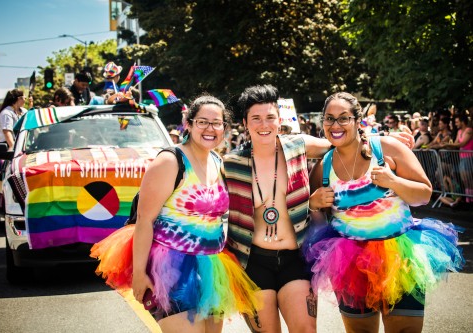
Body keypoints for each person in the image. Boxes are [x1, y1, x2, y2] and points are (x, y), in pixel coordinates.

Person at [90, 95, 261, 333]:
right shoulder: (170, 161)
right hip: (171, 268)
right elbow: (144, 220)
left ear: (224, 127)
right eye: (202, 122)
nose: (210, 129)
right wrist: (139, 273)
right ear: (188, 124)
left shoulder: (217, 161)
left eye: (216, 123)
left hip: (213, 268)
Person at [305, 92, 464, 333]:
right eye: (329, 119)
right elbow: (319, 225)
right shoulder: (323, 166)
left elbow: (424, 194)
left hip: (400, 257)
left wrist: (394, 182)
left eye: (343, 118)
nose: (335, 125)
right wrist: (313, 204)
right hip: (350, 263)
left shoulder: (387, 148)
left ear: (358, 121)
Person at [224, 84, 334, 333]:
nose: (264, 125)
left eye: (270, 117)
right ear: (245, 123)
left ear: (279, 119)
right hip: (252, 263)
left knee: (306, 330)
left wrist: (387, 143)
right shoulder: (230, 164)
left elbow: (343, 144)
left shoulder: (299, 145)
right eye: (256, 118)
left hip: (296, 258)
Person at [443, 114, 473, 203]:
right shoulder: (459, 131)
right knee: (465, 180)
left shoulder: (469, 130)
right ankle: (468, 200)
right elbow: (455, 144)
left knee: (469, 179)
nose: (455, 124)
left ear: (462, 122)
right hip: (462, 158)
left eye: (457, 122)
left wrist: (447, 144)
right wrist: (445, 145)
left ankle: (471, 200)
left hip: (469, 158)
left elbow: (462, 144)